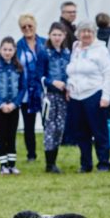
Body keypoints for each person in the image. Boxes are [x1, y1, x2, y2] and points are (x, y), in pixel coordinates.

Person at [66, 19, 110, 173]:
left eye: (89, 31)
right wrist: (68, 87)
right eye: (83, 31)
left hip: (94, 94)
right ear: (77, 33)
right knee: (81, 133)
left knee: (99, 131)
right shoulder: (75, 48)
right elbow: (72, 70)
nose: (86, 34)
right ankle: (85, 163)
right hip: (75, 96)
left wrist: (106, 96)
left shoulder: (101, 50)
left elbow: (108, 74)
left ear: (94, 33)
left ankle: (103, 162)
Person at [0, 37, 26, 175]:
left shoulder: (18, 66)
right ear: (0, 49)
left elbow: (22, 87)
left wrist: (15, 104)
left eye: (10, 49)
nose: (7, 52)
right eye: (5, 49)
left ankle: (12, 164)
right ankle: (3, 165)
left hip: (14, 107)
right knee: (1, 135)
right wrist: (1, 103)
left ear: (14, 50)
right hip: (0, 107)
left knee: (12, 135)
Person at [16, 13, 47, 163]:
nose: (27, 29)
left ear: (35, 26)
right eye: (24, 27)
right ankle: (31, 154)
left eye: (30, 26)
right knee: (29, 126)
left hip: (44, 90)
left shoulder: (44, 43)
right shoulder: (18, 46)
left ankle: (50, 152)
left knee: (48, 123)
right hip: (27, 92)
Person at [42, 22, 71, 173]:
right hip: (49, 95)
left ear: (64, 36)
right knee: (50, 128)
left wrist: (68, 86)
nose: (57, 37)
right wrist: (52, 82)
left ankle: (54, 160)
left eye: (59, 34)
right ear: (49, 35)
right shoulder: (44, 53)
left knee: (59, 128)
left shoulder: (67, 53)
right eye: (54, 34)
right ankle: (49, 163)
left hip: (62, 96)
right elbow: (38, 76)